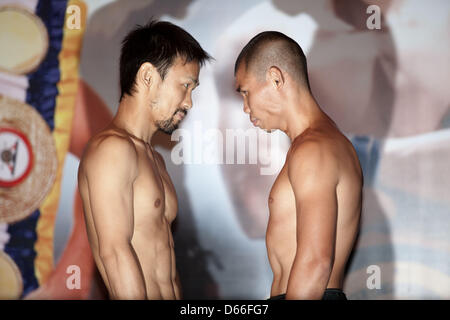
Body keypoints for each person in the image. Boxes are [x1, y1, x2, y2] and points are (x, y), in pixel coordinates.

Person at [77, 20, 211, 300]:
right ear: (148, 76)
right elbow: (114, 253)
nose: (189, 102)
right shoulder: (112, 149)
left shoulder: (154, 159)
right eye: (185, 85)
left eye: (192, 90)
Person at [234, 31, 362, 300]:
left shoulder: (313, 149)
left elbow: (316, 263)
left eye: (246, 92)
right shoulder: (321, 143)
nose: (245, 108)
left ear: (275, 78)